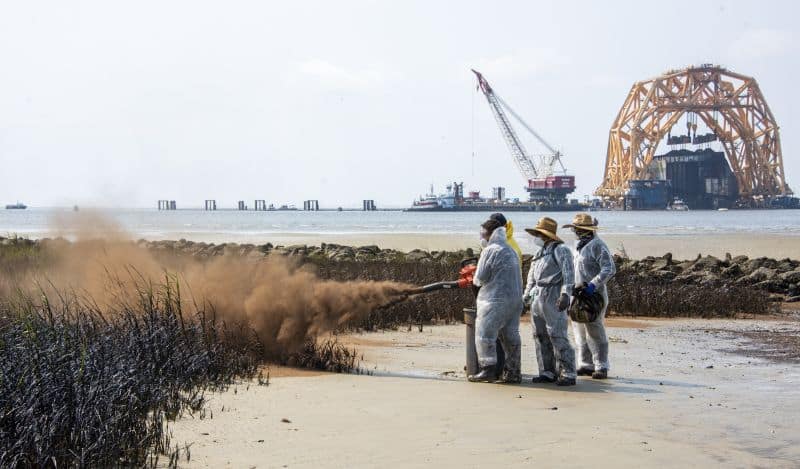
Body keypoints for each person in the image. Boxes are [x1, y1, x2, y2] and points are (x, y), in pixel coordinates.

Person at [468, 216, 523, 384]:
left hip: (495, 300)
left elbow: (480, 278)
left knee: (485, 334)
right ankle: (513, 372)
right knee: (510, 336)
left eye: (484, 234)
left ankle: (487, 369)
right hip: (515, 300)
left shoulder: (490, 250)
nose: (482, 237)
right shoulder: (510, 249)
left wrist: (474, 275)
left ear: (490, 234)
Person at [523, 217, 577, 386]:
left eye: (538, 234)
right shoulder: (539, 253)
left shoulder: (561, 250)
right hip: (537, 295)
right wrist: (525, 297)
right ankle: (547, 371)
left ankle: (568, 372)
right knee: (539, 335)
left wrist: (565, 294)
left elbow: (569, 274)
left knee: (557, 335)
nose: (536, 237)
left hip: (553, 294)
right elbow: (531, 278)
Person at [564, 213, 616, 380]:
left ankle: (601, 366)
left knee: (595, 330)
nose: (576, 231)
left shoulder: (598, 245)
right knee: (579, 330)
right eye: (575, 229)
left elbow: (609, 268)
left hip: (595, 296)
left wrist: (593, 284)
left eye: (578, 229)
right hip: (577, 295)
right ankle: (586, 364)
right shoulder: (577, 245)